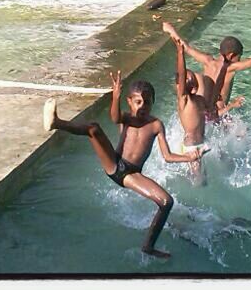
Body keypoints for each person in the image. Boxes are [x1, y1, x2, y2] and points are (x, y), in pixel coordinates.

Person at [43, 72, 205, 259]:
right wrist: (115, 97)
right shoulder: (126, 118)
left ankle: (148, 247)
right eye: (138, 102)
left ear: (153, 102)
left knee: (167, 202)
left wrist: (189, 157)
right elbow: (114, 118)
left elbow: (167, 156)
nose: (143, 106)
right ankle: (57, 123)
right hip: (114, 163)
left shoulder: (156, 125)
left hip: (131, 174)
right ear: (129, 101)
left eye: (147, 102)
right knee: (93, 128)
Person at [162, 21, 251, 121]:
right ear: (232, 55)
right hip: (218, 113)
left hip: (202, 111)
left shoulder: (207, 61)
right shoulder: (230, 68)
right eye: (240, 56)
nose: (240, 59)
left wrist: (171, 30)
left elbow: (186, 47)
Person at [170, 35, 210, 186]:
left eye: (193, 79)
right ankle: (195, 206)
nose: (192, 81)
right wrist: (180, 54)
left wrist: (230, 106)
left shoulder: (199, 100)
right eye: (188, 81)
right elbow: (182, 76)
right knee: (199, 181)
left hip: (203, 143)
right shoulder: (184, 101)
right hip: (191, 147)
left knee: (207, 175)